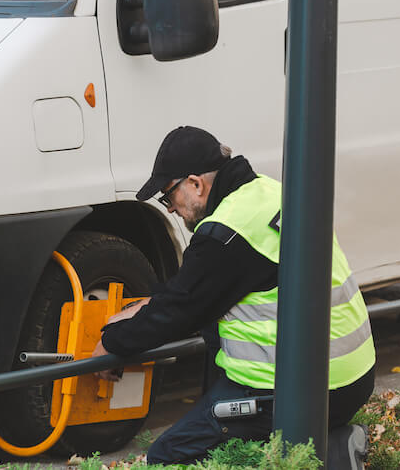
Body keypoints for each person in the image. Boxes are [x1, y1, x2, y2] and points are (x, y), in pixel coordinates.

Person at [91, 126, 375, 466]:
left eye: (168, 197)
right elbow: (201, 290)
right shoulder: (269, 192)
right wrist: (146, 306)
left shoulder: (224, 233)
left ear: (195, 184)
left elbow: (179, 313)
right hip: (350, 376)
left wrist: (113, 343)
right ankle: (333, 444)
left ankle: (331, 455)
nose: (169, 209)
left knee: (168, 455)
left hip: (296, 393)